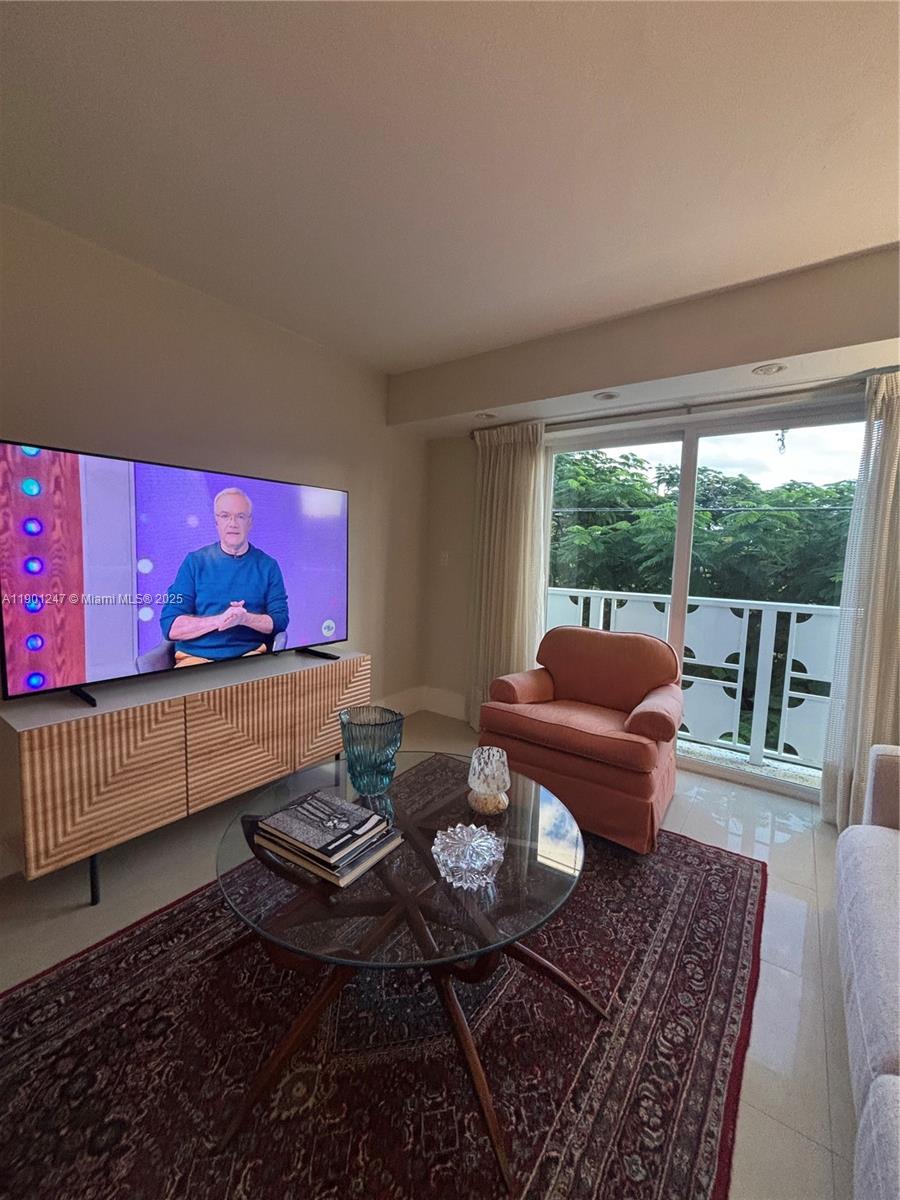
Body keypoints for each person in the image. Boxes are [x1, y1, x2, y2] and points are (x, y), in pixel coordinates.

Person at [160, 487, 289, 667]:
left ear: (250, 522)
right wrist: (220, 620)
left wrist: (244, 619)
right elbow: (170, 625)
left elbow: (280, 621)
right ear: (216, 522)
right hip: (194, 659)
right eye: (225, 516)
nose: (232, 523)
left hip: (249, 657)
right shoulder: (194, 562)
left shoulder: (268, 566)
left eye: (240, 516)